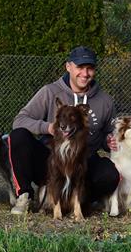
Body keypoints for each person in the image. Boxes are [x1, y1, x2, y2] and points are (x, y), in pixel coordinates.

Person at [7, 46, 119, 214]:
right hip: (51, 158)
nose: (85, 73)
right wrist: (48, 127)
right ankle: (25, 195)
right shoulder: (50, 92)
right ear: (68, 66)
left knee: (110, 174)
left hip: (83, 161)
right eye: (80, 67)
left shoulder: (105, 101)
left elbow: (108, 133)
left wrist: (109, 141)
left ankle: (80, 200)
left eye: (90, 68)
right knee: (18, 136)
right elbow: (19, 120)